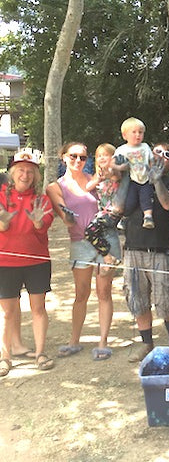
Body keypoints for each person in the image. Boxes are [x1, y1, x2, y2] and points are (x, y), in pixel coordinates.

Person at [47, 142, 119, 361]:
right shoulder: (55, 187)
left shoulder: (95, 180)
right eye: (73, 156)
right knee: (81, 294)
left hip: (106, 241)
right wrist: (66, 214)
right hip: (80, 243)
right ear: (63, 157)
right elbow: (66, 220)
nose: (78, 160)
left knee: (104, 292)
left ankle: (103, 342)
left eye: (83, 157)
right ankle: (74, 341)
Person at [124, 143, 169, 363]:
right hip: (132, 249)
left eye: (167, 155)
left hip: (159, 250)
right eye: (157, 151)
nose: (161, 156)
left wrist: (156, 180)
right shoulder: (132, 178)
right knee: (137, 299)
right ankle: (147, 343)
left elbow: (168, 204)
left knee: (167, 300)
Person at [0, 151, 54, 376]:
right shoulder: (1, 195)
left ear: (36, 175)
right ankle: (5, 357)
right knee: (7, 312)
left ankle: (41, 353)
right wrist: (3, 223)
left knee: (38, 309)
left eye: (30, 171)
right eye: (21, 170)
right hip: (5, 262)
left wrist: (38, 222)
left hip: (37, 261)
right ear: (12, 173)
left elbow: (43, 228)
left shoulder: (42, 199)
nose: (25, 174)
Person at [84, 143, 127, 268]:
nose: (102, 158)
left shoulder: (115, 172)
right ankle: (113, 256)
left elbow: (117, 176)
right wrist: (98, 179)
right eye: (99, 156)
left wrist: (111, 168)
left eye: (106, 155)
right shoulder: (98, 175)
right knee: (104, 233)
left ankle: (109, 257)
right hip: (103, 212)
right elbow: (87, 188)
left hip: (114, 212)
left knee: (89, 232)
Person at [112, 117, 155, 229]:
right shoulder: (121, 149)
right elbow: (111, 164)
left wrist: (153, 173)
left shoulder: (145, 147)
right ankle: (124, 218)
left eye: (140, 132)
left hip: (145, 178)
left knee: (146, 198)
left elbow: (151, 161)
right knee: (130, 201)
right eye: (134, 132)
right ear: (125, 135)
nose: (138, 135)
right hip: (131, 180)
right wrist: (120, 167)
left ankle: (148, 217)